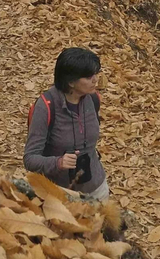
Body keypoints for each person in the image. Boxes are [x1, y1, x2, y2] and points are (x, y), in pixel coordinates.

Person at [23, 48, 107, 199]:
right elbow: (30, 159)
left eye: (96, 74)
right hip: (58, 194)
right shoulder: (46, 107)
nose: (95, 79)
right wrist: (58, 162)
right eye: (88, 77)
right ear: (71, 81)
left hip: (96, 188)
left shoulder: (93, 99)